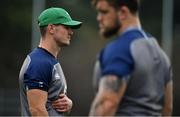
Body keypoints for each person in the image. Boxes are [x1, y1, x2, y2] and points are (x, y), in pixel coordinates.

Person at [89, 0, 173, 116]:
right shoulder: (160, 53)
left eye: (104, 12)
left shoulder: (120, 50)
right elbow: (167, 108)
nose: (99, 18)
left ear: (123, 12)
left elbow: (107, 104)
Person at [19, 7, 82, 116]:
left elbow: (49, 104)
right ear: (51, 28)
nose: (71, 32)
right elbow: (37, 110)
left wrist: (68, 104)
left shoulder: (48, 60)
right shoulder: (39, 63)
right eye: (66, 27)